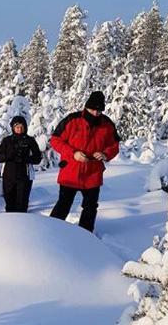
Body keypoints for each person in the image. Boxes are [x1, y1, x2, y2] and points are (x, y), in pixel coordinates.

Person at [48, 90, 119, 232]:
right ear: (86, 107)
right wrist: (73, 153)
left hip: (93, 173)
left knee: (90, 207)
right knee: (63, 204)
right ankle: (50, 232)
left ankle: (85, 235)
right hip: (71, 171)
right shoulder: (72, 120)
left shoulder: (107, 124)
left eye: (99, 110)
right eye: (93, 109)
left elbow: (114, 146)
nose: (95, 113)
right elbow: (55, 140)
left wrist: (105, 154)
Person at [0, 115, 42, 213]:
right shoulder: (7, 140)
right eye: (17, 127)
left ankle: (22, 224)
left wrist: (25, 158)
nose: (19, 129)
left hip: (24, 176)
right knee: (9, 203)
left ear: (25, 127)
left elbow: (37, 158)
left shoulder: (30, 140)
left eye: (21, 127)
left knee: (22, 204)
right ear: (13, 128)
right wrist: (8, 156)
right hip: (9, 176)